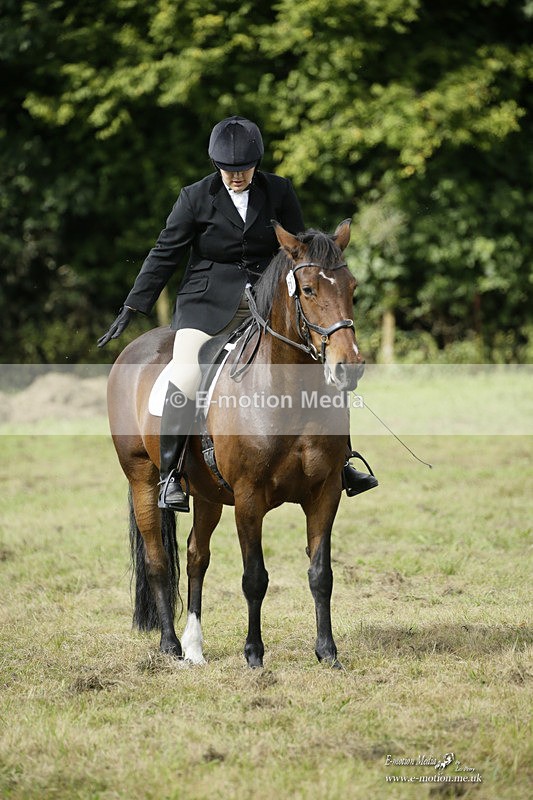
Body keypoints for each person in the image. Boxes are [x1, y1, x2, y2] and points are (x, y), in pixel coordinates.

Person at [98, 115, 378, 511]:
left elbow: (300, 251)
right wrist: (133, 305)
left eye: (243, 170)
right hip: (207, 305)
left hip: (269, 304)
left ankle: (342, 460)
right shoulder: (194, 197)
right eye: (227, 171)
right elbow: (165, 254)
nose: (235, 177)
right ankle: (171, 475)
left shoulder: (279, 191)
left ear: (256, 164)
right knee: (185, 371)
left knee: (318, 364)